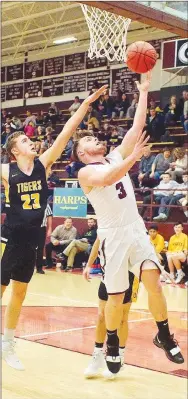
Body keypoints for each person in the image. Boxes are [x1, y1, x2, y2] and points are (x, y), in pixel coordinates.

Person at [72, 72, 184, 374]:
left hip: (135, 229)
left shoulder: (114, 157)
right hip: (113, 236)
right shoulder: (86, 173)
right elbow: (108, 178)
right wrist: (132, 158)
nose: (97, 139)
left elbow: (136, 128)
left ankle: (163, 334)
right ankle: (110, 342)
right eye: (89, 140)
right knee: (117, 295)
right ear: (83, 153)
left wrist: (145, 92)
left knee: (153, 284)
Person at [1, 84, 107, 370]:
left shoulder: (43, 163)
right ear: (14, 150)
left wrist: (86, 104)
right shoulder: (5, 170)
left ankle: (7, 343)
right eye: (24, 140)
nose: (30, 142)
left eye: (29, 139)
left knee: (20, 293)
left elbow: (67, 132)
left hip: (32, 237)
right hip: (8, 237)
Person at [83, 237, 139, 379]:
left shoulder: (131, 223)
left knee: (122, 318)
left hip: (129, 275)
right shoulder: (107, 222)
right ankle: (98, 355)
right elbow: (97, 241)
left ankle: (119, 356)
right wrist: (89, 265)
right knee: (101, 316)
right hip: (107, 274)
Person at [36, 203, 53, 274]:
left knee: (40, 248)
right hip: (29, 228)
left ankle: (39, 268)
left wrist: (50, 228)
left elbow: (49, 216)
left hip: (41, 228)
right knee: (28, 247)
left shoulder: (45, 204)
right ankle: (25, 266)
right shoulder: (30, 200)